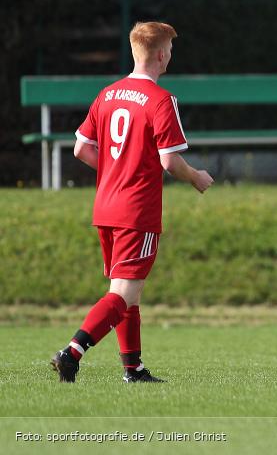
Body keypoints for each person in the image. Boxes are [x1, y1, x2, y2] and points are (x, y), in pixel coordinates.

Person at [51, 22, 214, 383]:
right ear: (160, 54)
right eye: (170, 49)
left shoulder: (107, 94)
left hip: (105, 207)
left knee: (127, 291)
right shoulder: (161, 99)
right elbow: (170, 162)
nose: (171, 55)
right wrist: (196, 177)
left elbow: (81, 148)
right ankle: (72, 352)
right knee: (123, 293)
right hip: (136, 210)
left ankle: (133, 368)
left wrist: (115, 167)